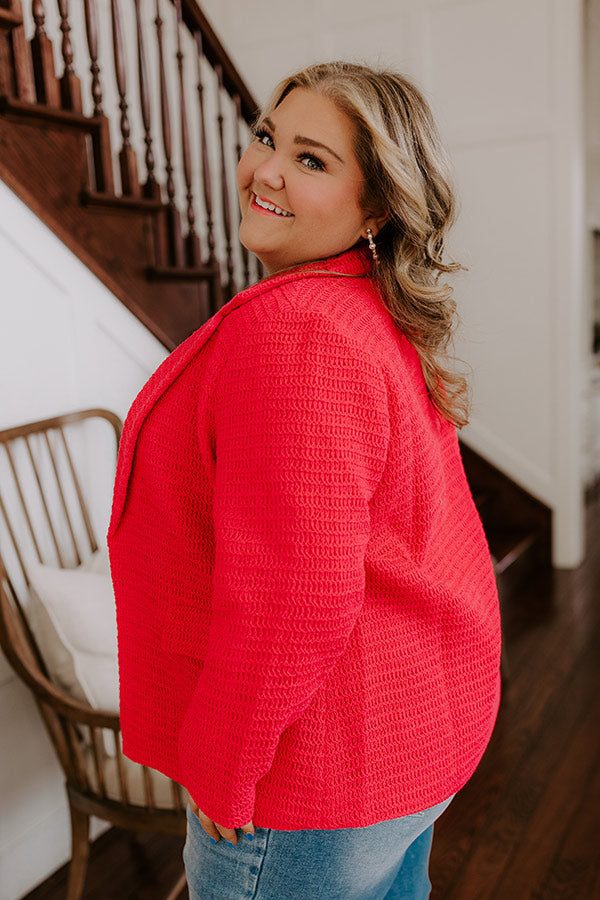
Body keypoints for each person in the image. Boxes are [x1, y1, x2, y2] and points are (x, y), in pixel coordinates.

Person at [107, 61, 502, 900]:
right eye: (265, 138)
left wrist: (222, 761)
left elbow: (294, 592)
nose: (266, 172)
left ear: (378, 206)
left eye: (312, 159)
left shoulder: (296, 334)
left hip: (317, 772)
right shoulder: (362, 307)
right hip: (415, 736)